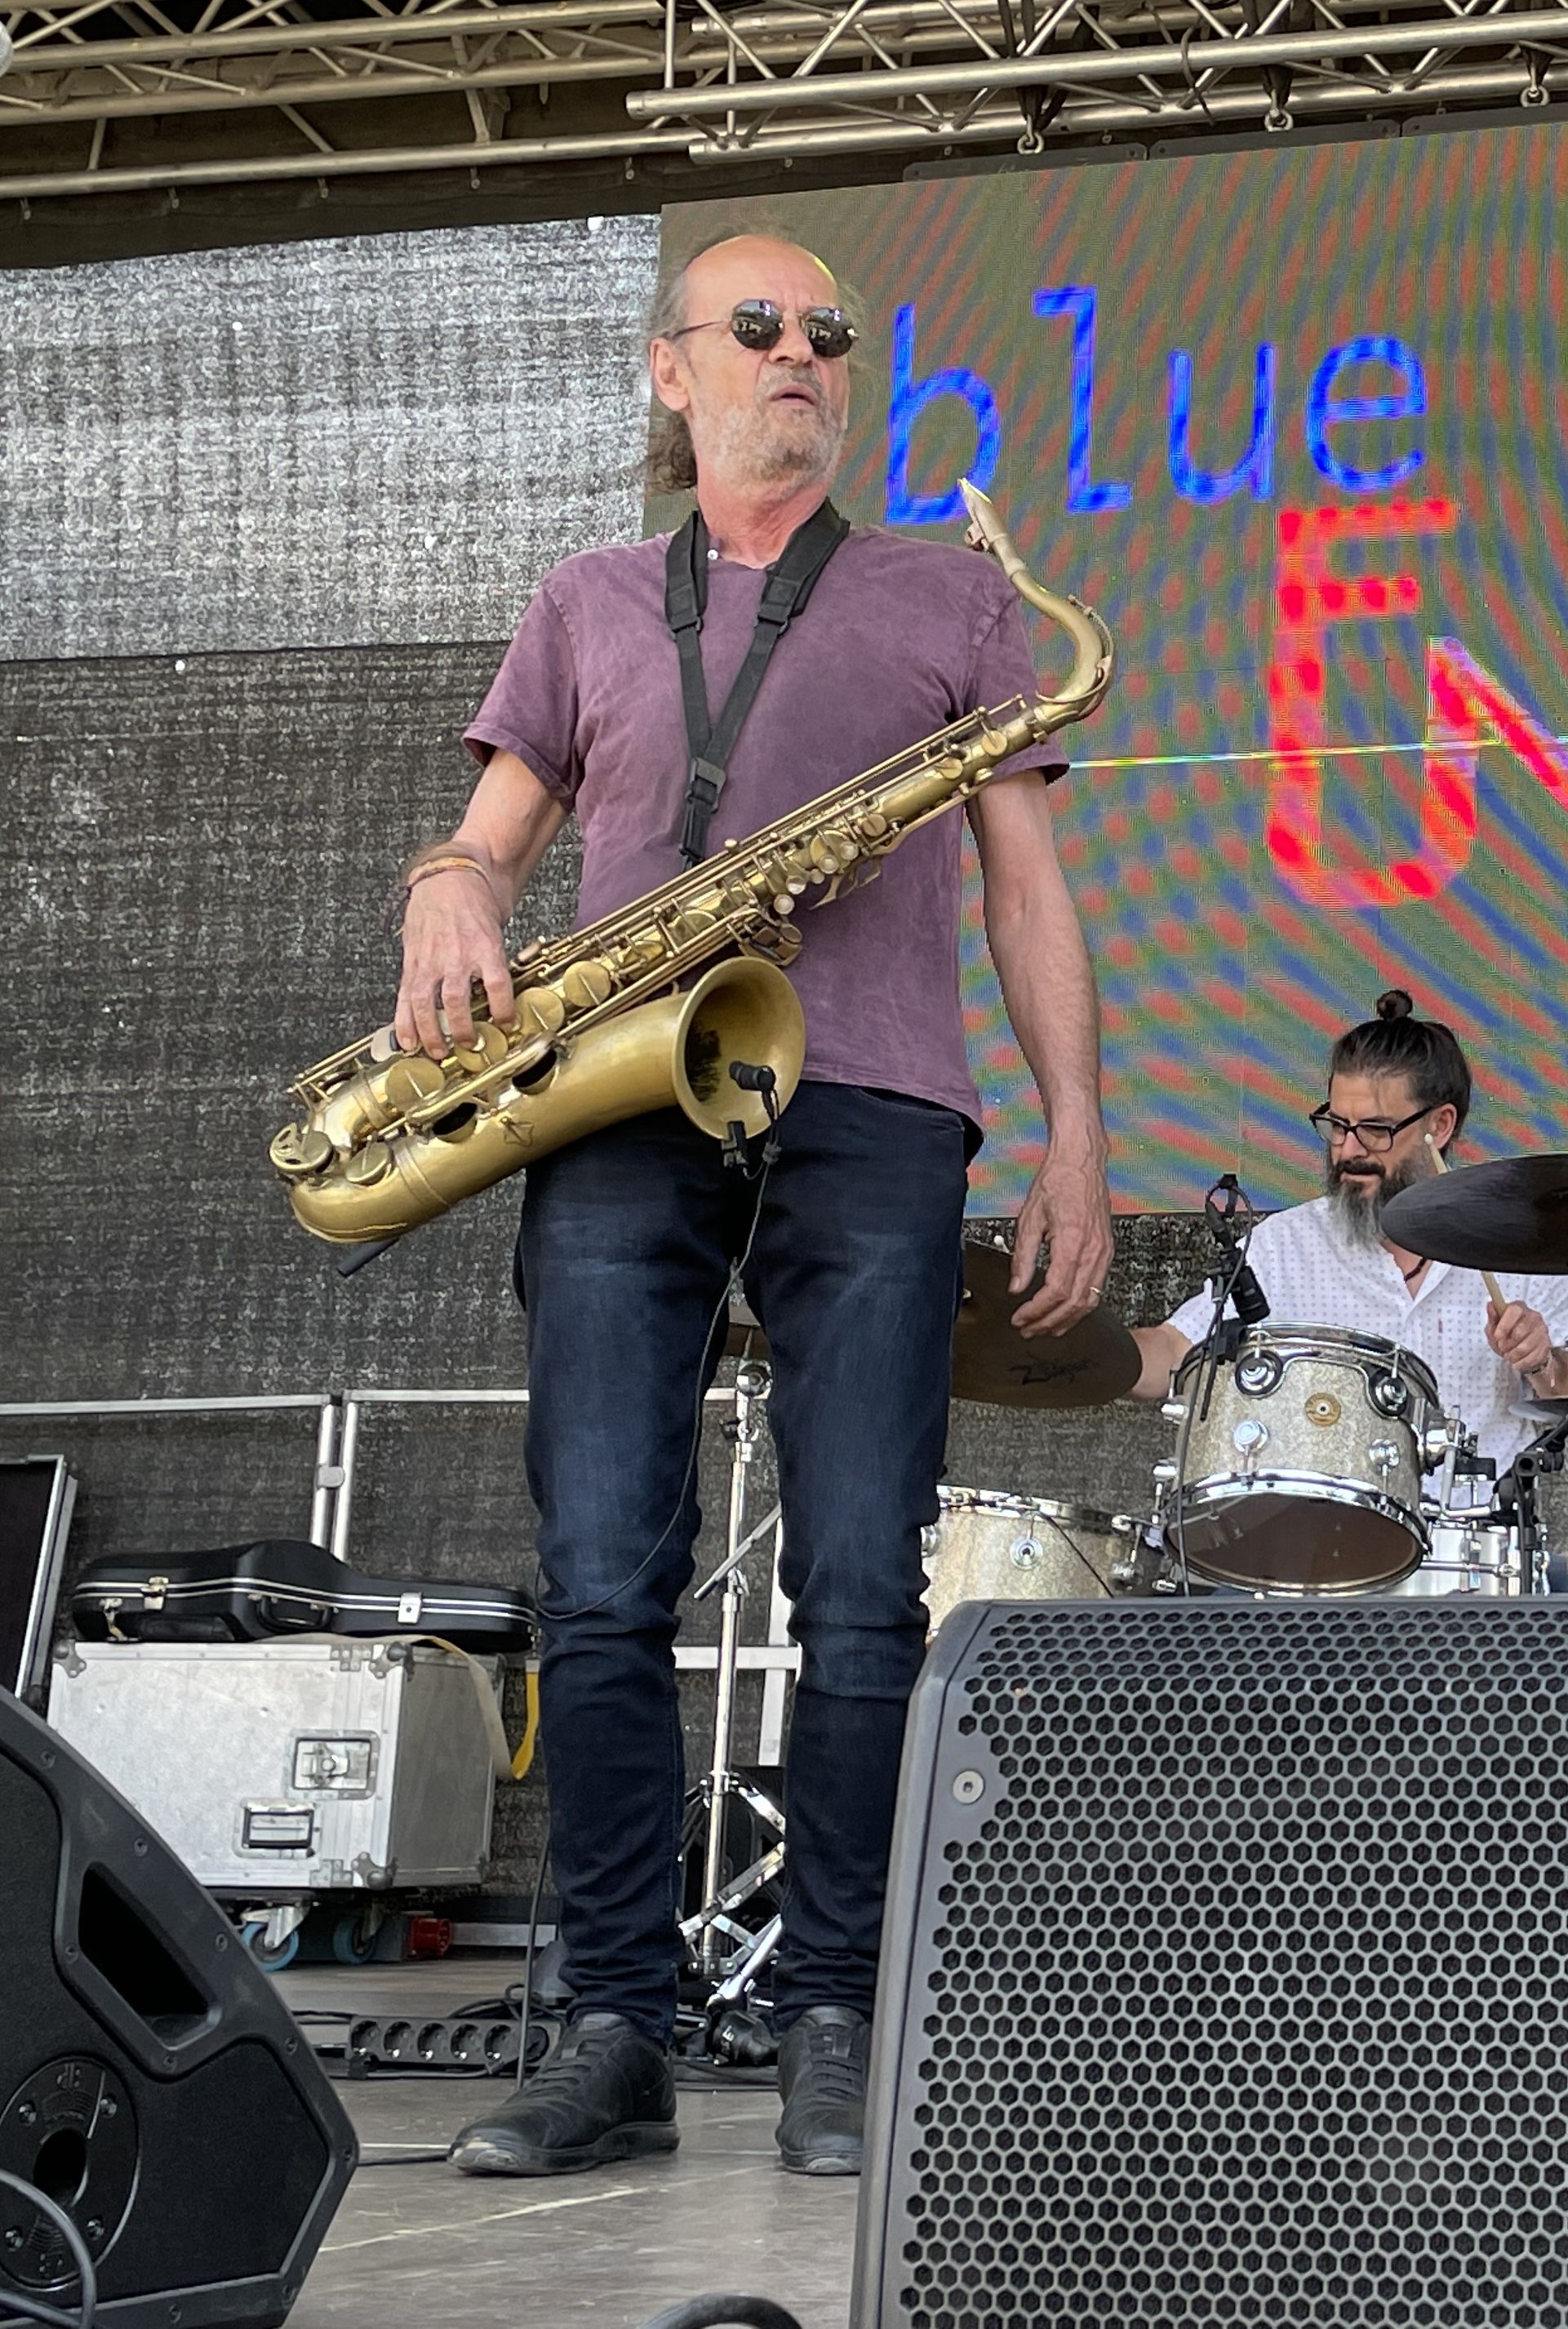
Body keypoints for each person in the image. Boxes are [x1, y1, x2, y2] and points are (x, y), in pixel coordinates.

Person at [391, 233, 1117, 2178]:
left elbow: (1030, 893)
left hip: (876, 1096)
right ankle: (613, 2026)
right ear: (669, 374)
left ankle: (835, 2015)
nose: (802, 355)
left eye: (832, 337)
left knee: (865, 1584)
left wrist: (1073, 1135)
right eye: (760, 329)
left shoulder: (951, 598)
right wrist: (451, 885)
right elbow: (489, 832)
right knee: (602, 1575)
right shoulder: (583, 599)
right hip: (624, 1091)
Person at [1126, 992, 1568, 1513]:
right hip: (1320, 1561)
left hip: (1476, 1565)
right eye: (1337, 1125)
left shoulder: (1518, 1249)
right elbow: (1176, 1350)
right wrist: (1082, 1349)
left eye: (1375, 1130)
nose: (1347, 1149)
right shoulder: (1284, 1246)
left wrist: (1543, 1360)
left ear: (1440, 1126)